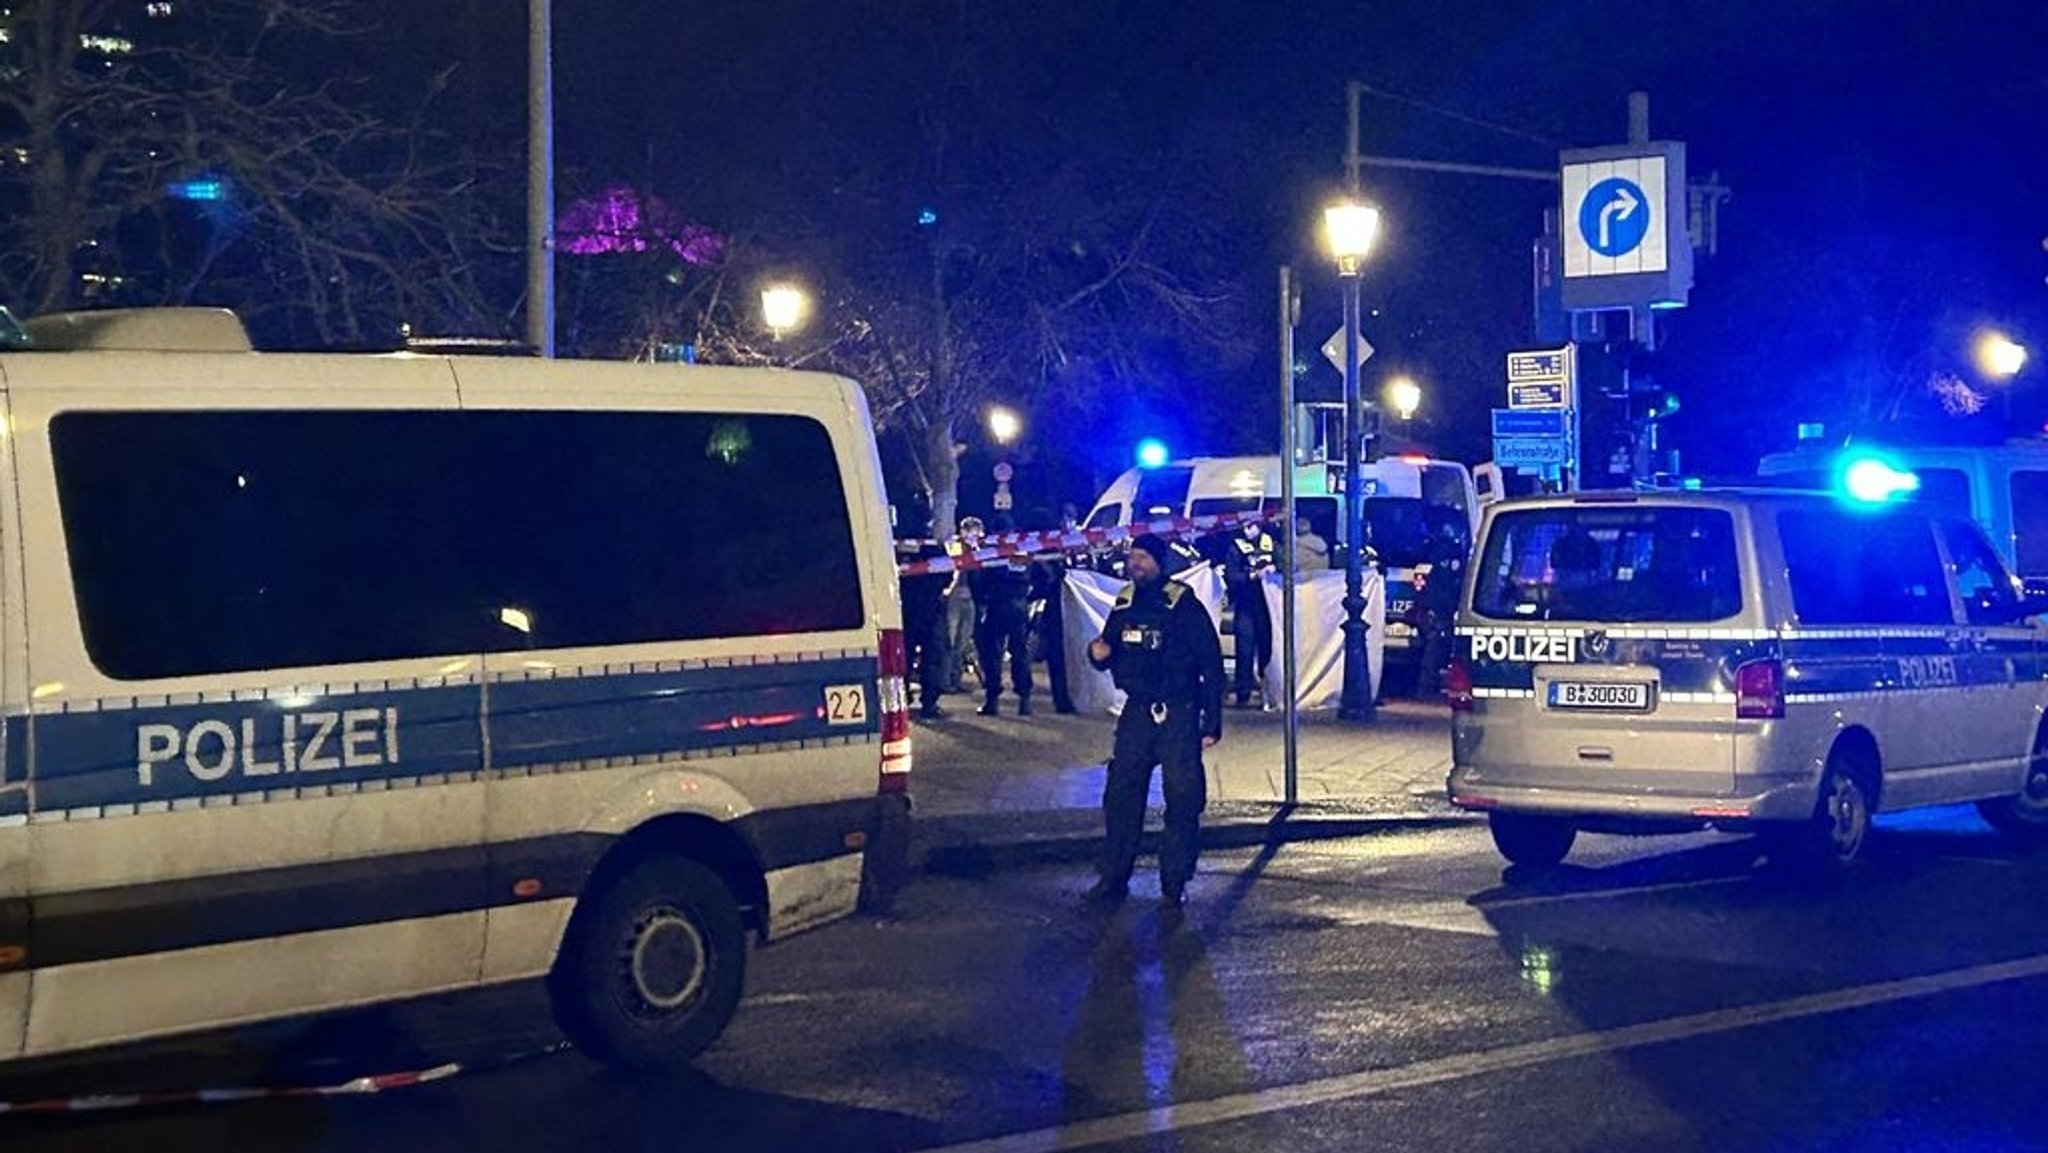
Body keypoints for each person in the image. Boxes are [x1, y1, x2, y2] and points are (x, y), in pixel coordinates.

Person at [1084, 534, 1224, 910]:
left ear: (1160, 561)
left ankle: (1174, 878)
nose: (1136, 564)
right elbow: (1108, 648)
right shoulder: (1126, 601)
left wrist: (1211, 723)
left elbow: (1211, 664)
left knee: (1183, 797)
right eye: (1133, 558)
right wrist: (1096, 654)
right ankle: (1113, 876)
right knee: (1121, 795)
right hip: (1138, 711)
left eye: (1143, 558)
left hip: (1178, 710)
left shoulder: (1182, 604)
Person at [967, 513, 1035, 716]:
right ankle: (1024, 699)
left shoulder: (990, 551)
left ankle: (992, 700)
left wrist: (981, 600)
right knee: (1020, 653)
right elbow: (1033, 575)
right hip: (1018, 606)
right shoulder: (1022, 551)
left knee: (992, 654)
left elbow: (977, 578)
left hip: (996, 606)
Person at [896, 504, 952, 720]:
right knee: (932, 657)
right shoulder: (932, 545)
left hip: (907, 609)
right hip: (930, 609)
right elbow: (946, 574)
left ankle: (903, 700)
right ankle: (929, 703)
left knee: (905, 657)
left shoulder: (899, 545)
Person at [1414, 515, 1469, 699]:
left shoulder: (1437, 552)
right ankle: (1427, 691)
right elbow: (1448, 582)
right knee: (1437, 651)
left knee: (1433, 653)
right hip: (1444, 609)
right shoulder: (1451, 553)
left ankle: (1426, 690)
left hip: (1439, 609)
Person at [1223, 518, 1277, 707]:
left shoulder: (1272, 544)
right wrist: (1252, 576)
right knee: (1244, 649)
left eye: (1250, 527)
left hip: (1268, 605)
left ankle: (1268, 691)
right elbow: (1232, 575)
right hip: (1246, 603)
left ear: (1259, 527)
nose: (1246, 531)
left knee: (1267, 649)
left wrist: (1275, 569)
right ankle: (1243, 691)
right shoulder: (1236, 548)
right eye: (1244, 527)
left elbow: (1286, 566)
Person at [1030, 510, 1079, 714]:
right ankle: (1062, 700)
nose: (1070, 523)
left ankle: (1069, 696)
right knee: (1057, 655)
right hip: (1054, 610)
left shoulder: (1073, 545)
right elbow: (1040, 582)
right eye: (1066, 518)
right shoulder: (1043, 550)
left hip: (1071, 608)